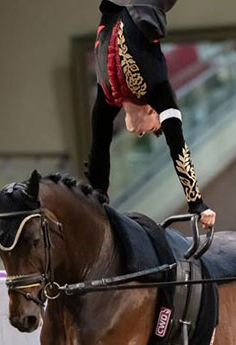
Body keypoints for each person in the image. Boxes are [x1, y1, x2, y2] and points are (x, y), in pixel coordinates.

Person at [85, 0, 216, 228]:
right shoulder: (158, 90)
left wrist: (99, 202)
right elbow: (177, 145)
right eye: (153, 128)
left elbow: (99, 152)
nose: (141, 134)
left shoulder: (107, 99)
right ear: (151, 109)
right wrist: (197, 204)